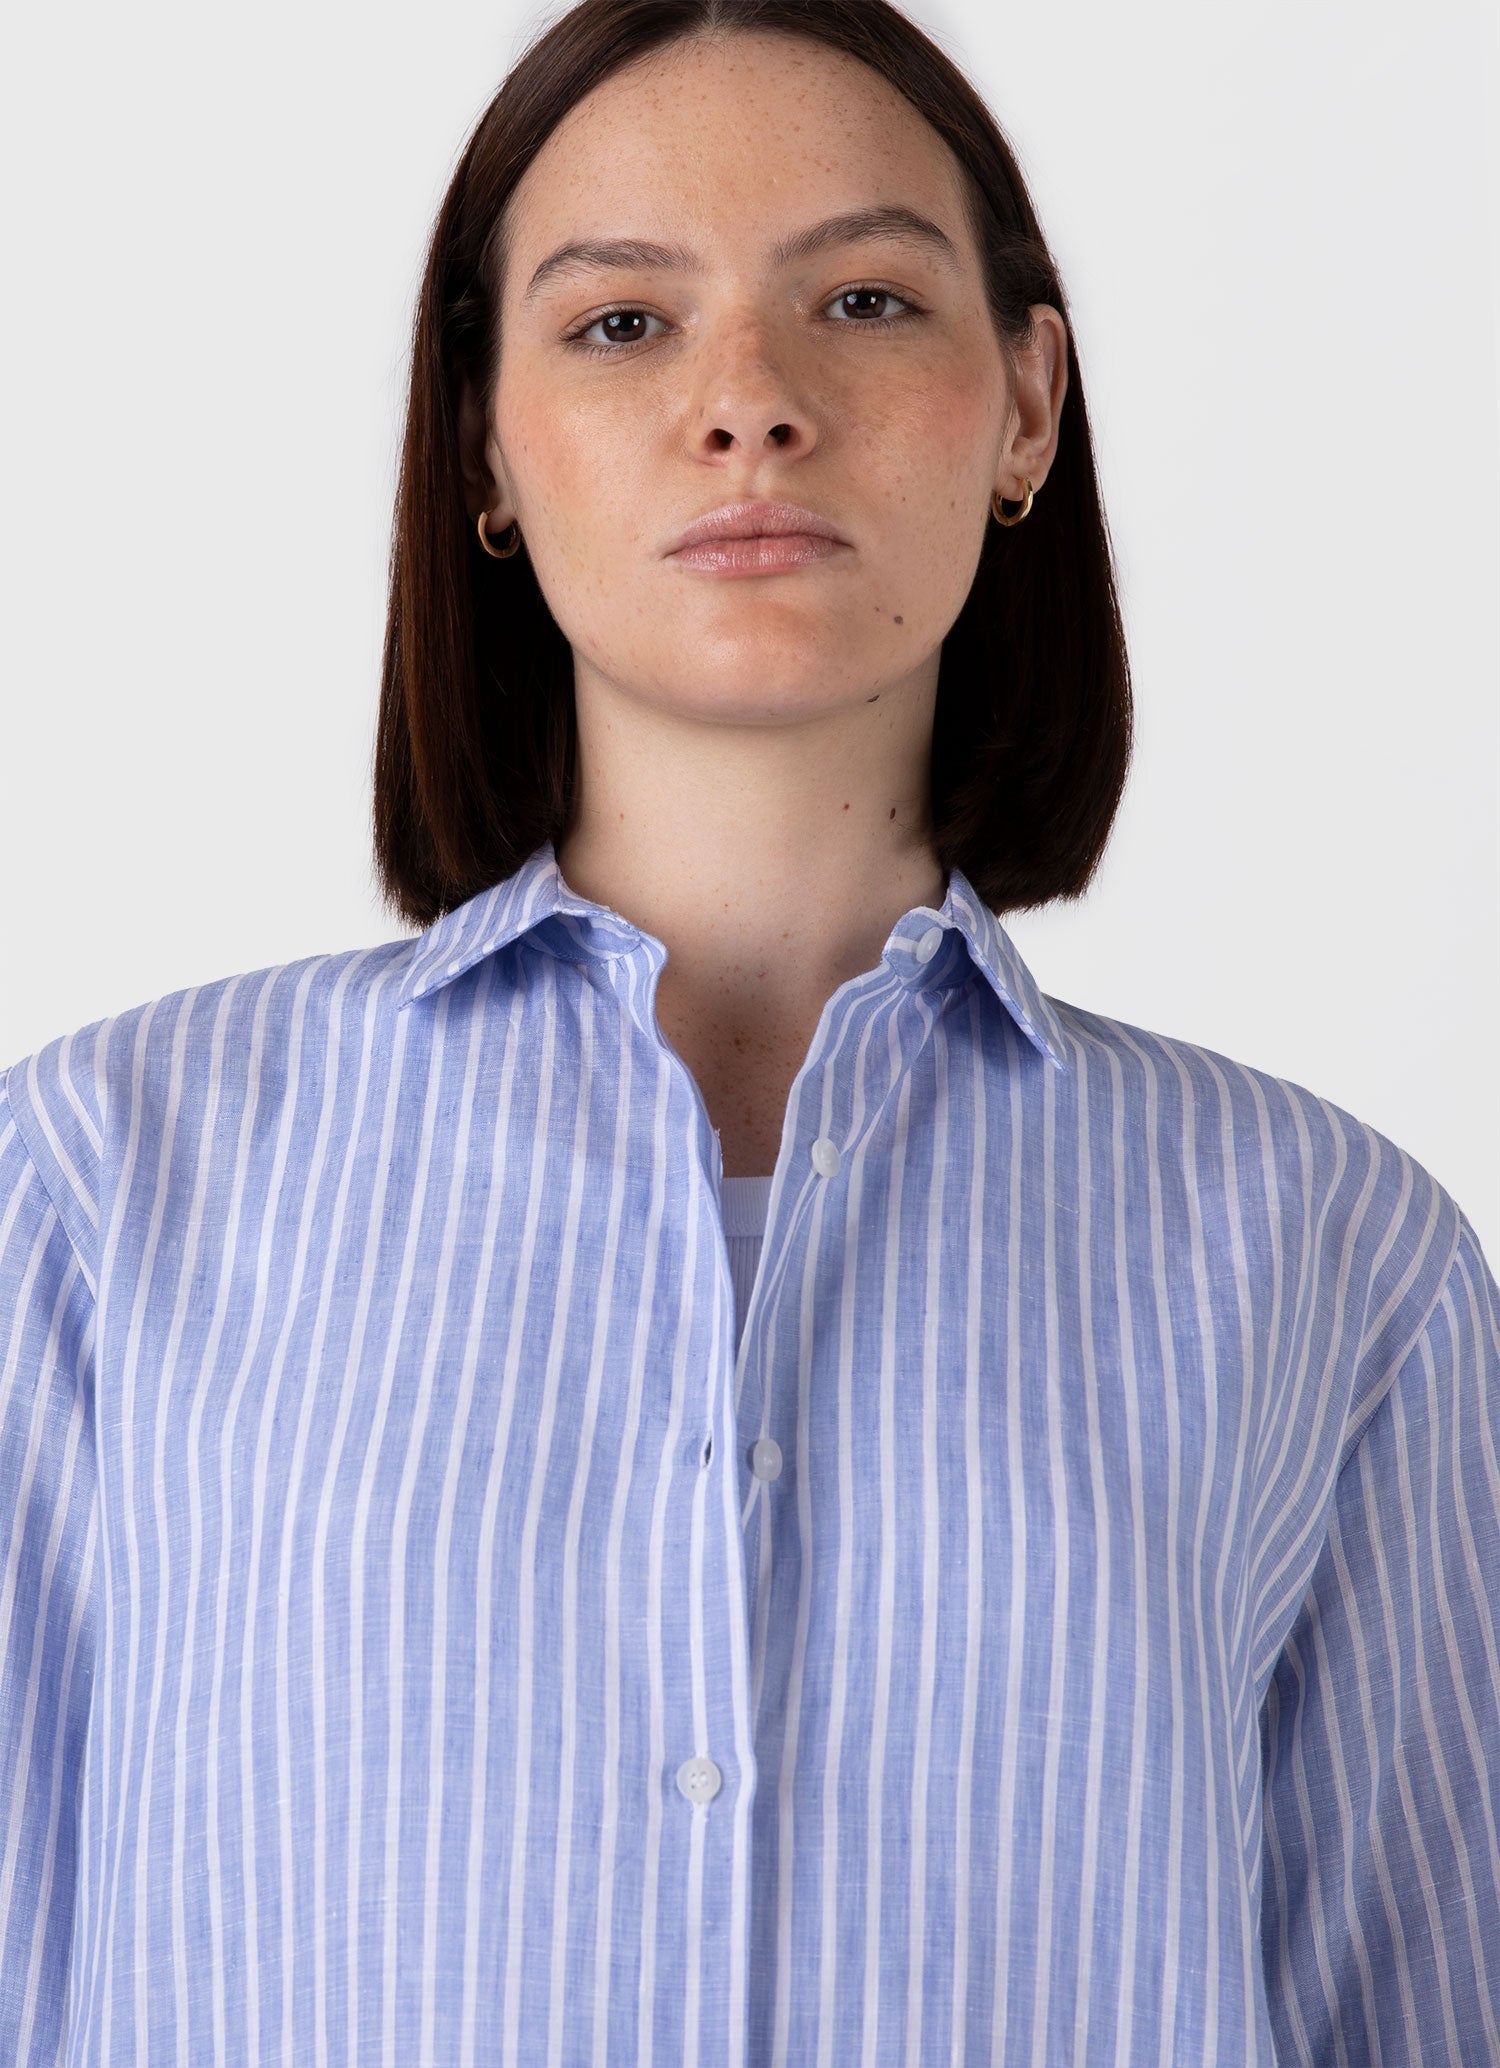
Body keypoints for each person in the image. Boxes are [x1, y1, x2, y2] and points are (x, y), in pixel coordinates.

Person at [1, 0, 1495, 2059]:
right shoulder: (93, 1186)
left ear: (1027, 406)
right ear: (479, 445)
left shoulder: (1336, 1259)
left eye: (864, 298)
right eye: (622, 324)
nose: (752, 403)